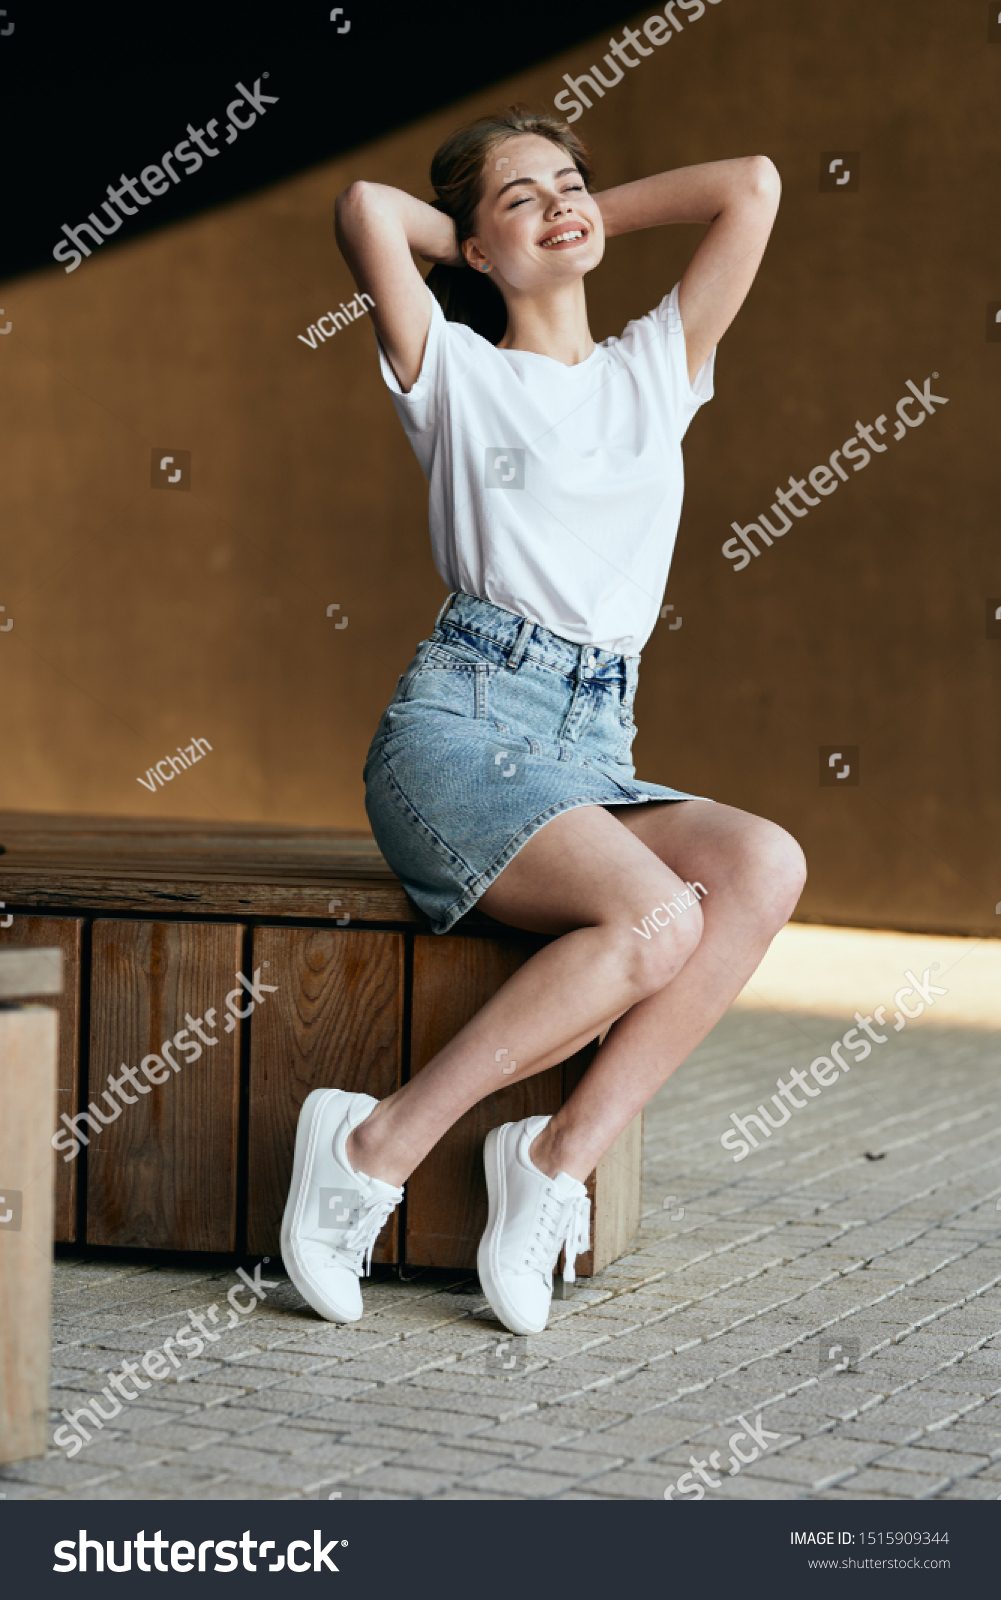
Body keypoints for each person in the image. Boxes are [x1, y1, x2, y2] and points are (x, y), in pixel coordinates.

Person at [281, 106, 805, 1337]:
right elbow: (366, 209)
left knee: (765, 863)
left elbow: (753, 178)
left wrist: (563, 217)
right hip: (459, 725)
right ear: (469, 250)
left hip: (592, 740)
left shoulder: (653, 366)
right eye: (522, 196)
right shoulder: (452, 371)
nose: (563, 202)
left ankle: (551, 1163)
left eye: (574, 182)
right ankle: (370, 1145)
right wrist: (491, 237)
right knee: (657, 916)